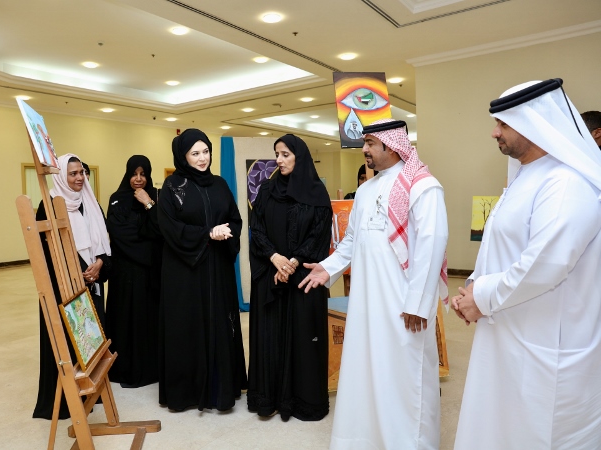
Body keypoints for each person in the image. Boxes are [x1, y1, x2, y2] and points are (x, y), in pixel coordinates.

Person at [452, 79, 601, 449]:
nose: (494, 132)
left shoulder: (566, 182)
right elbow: (502, 244)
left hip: (545, 343)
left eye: (503, 124)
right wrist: (472, 289)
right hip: (511, 328)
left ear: (534, 122)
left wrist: (481, 297)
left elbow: (546, 265)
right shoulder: (527, 176)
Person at [299, 119, 448, 449]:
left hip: (403, 304)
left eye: (369, 143)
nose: (364, 149)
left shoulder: (423, 187)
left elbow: (432, 245)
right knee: (367, 372)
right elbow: (352, 240)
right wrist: (327, 268)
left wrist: (418, 303)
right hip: (366, 303)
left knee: (405, 376)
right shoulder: (366, 190)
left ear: (391, 145)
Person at [158, 128, 246, 411]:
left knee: (220, 322)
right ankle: (187, 392)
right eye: (195, 153)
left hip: (218, 268)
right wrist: (207, 233)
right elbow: (169, 228)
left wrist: (226, 232)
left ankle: (221, 389)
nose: (202, 158)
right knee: (188, 327)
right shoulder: (172, 187)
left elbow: (235, 219)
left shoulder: (219, 184)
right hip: (186, 272)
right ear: (183, 156)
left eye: (205, 151)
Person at [247, 134, 333, 421]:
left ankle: (302, 401)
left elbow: (319, 235)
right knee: (271, 337)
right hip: (270, 275)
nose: (279, 160)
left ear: (300, 157)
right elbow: (257, 228)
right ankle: (269, 398)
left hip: (303, 278)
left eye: (285, 154)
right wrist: (274, 258)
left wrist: (293, 262)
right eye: (277, 154)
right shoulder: (267, 190)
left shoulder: (317, 193)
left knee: (303, 340)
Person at [32, 153, 111, 420]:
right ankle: (66, 402)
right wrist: (80, 271)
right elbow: (48, 252)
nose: (80, 178)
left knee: (90, 342)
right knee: (67, 344)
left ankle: (90, 393)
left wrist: (100, 263)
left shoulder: (90, 202)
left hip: (93, 283)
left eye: (82, 173)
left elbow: (104, 243)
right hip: (64, 290)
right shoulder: (49, 205)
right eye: (73, 173)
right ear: (61, 176)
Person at [106, 155, 162, 388]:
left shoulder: (156, 197)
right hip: (125, 273)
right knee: (125, 318)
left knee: (147, 318)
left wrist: (148, 203)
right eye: (134, 174)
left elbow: (163, 230)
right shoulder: (117, 199)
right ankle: (123, 367)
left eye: (143, 174)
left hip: (149, 274)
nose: (138, 179)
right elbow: (120, 234)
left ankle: (151, 368)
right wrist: (148, 244)